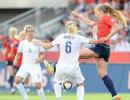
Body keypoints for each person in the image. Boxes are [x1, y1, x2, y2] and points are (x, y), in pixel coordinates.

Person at [71, 3, 127, 100]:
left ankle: (56, 69)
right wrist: (79, 16)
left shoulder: (106, 17)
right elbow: (90, 23)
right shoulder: (101, 20)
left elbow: (117, 27)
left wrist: (107, 37)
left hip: (101, 47)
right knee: (102, 74)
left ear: (101, 11)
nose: (95, 13)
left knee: (74, 54)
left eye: (96, 11)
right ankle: (115, 95)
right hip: (104, 49)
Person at [33, 21, 96, 100]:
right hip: (73, 67)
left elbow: (47, 46)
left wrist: (39, 42)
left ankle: (59, 98)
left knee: (57, 83)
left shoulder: (61, 37)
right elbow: (95, 41)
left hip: (60, 67)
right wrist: (94, 33)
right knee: (80, 84)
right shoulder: (78, 37)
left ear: (66, 28)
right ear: (75, 27)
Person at [14, 25, 45, 100]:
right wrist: (15, 60)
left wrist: (39, 59)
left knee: (38, 85)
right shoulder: (22, 43)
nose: (30, 33)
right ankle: (25, 96)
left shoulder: (37, 42)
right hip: (24, 66)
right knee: (17, 81)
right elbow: (18, 53)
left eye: (32, 31)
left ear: (34, 32)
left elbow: (42, 53)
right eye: (29, 31)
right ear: (25, 32)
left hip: (35, 66)